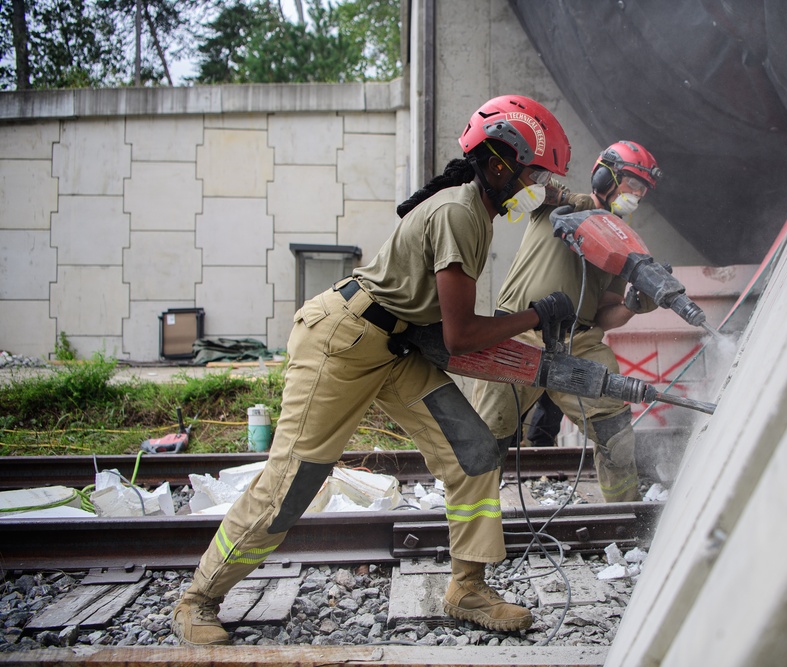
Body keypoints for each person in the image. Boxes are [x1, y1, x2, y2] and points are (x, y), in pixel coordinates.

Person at [171, 94, 576, 646]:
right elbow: (459, 336)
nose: (539, 187)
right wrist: (537, 314)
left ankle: (468, 589)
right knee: (294, 483)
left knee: (475, 453)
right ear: (499, 164)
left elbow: (441, 330)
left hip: (391, 349)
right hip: (341, 342)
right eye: (535, 173)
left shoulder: (474, 214)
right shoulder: (460, 212)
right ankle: (198, 599)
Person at [472, 140, 662, 503]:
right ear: (604, 175)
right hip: (518, 331)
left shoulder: (626, 244)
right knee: (487, 436)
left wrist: (633, 306)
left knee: (616, 434)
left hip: (581, 341)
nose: (635, 196)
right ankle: (476, 528)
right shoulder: (556, 206)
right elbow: (522, 190)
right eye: (631, 184)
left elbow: (607, 310)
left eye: (641, 190)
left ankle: (623, 518)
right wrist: (561, 196)